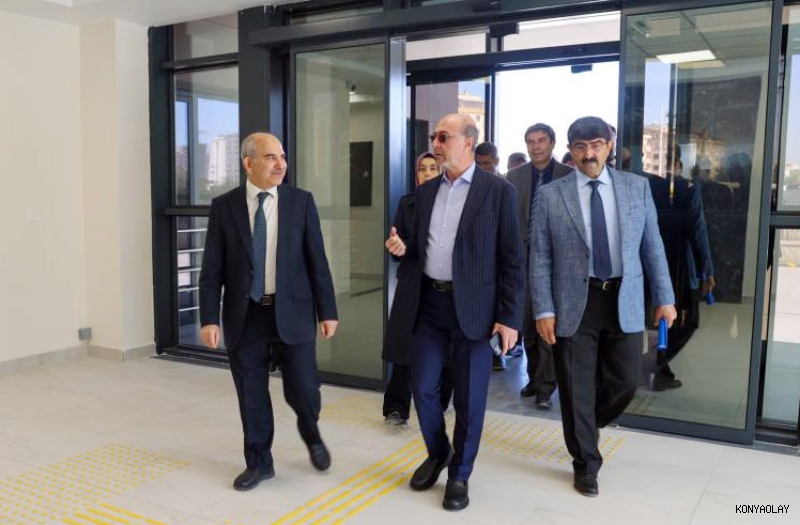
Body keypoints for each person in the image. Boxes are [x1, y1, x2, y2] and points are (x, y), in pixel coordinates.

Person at [529, 117, 676, 497]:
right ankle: (585, 462)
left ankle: (584, 422)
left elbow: (653, 245)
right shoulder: (551, 195)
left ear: (610, 146)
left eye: (596, 144)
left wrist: (665, 297)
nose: (589, 154)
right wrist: (543, 309)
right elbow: (540, 256)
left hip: (623, 298)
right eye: (580, 147)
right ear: (571, 151)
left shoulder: (636, 188)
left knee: (625, 381)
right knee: (574, 386)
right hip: (573, 303)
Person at [384, 113, 523, 511]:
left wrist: (510, 317)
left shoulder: (498, 192)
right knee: (423, 387)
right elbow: (415, 248)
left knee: (469, 399)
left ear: (468, 142)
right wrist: (400, 249)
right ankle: (439, 452)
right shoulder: (426, 193)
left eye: (443, 137)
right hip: (428, 305)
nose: (436, 144)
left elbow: (513, 259)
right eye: (435, 137)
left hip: (475, 310)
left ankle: (460, 474)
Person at [199, 132, 339, 492]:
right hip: (246, 316)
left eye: (283, 157)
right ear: (249, 163)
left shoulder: (300, 202)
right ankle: (259, 462)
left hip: (292, 311)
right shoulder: (225, 207)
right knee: (252, 395)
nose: (281, 165)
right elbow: (212, 268)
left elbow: (317, 261)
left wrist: (328, 310)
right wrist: (209, 318)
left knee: (304, 389)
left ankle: (310, 429)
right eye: (271, 157)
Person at [382, 152, 453, 425]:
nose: (427, 173)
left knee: (445, 346)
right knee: (404, 345)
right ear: (416, 175)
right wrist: (397, 248)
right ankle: (396, 406)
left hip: (445, 287)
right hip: (412, 284)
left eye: (433, 168)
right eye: (422, 169)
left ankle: (441, 400)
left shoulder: (453, 203)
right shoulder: (407, 203)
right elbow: (398, 241)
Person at [506, 123, 573, 408]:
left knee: (548, 326)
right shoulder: (514, 176)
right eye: (531, 141)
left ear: (552, 143)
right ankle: (534, 379)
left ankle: (546, 387)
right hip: (522, 263)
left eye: (541, 140)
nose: (536, 147)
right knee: (528, 327)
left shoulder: (569, 176)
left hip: (555, 265)